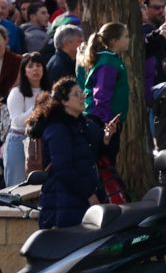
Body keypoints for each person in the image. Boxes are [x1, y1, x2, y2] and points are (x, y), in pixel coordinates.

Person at [26, 77, 113, 228]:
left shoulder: (83, 124)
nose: (82, 97)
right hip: (63, 203)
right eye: (77, 94)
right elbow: (63, 169)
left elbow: (90, 157)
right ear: (64, 101)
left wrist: (106, 139)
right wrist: (88, 194)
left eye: (82, 93)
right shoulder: (57, 128)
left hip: (80, 200)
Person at [77, 23, 131, 132]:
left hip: (109, 121)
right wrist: (105, 124)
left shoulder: (111, 59)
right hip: (103, 122)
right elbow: (101, 95)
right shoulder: (108, 62)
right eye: (126, 36)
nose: (129, 40)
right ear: (114, 41)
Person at [5, 51, 45, 185]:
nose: (35, 69)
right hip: (19, 140)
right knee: (17, 184)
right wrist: (37, 107)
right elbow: (17, 122)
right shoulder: (17, 93)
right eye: (30, 66)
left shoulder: (49, 91)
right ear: (24, 71)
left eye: (39, 65)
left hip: (42, 141)